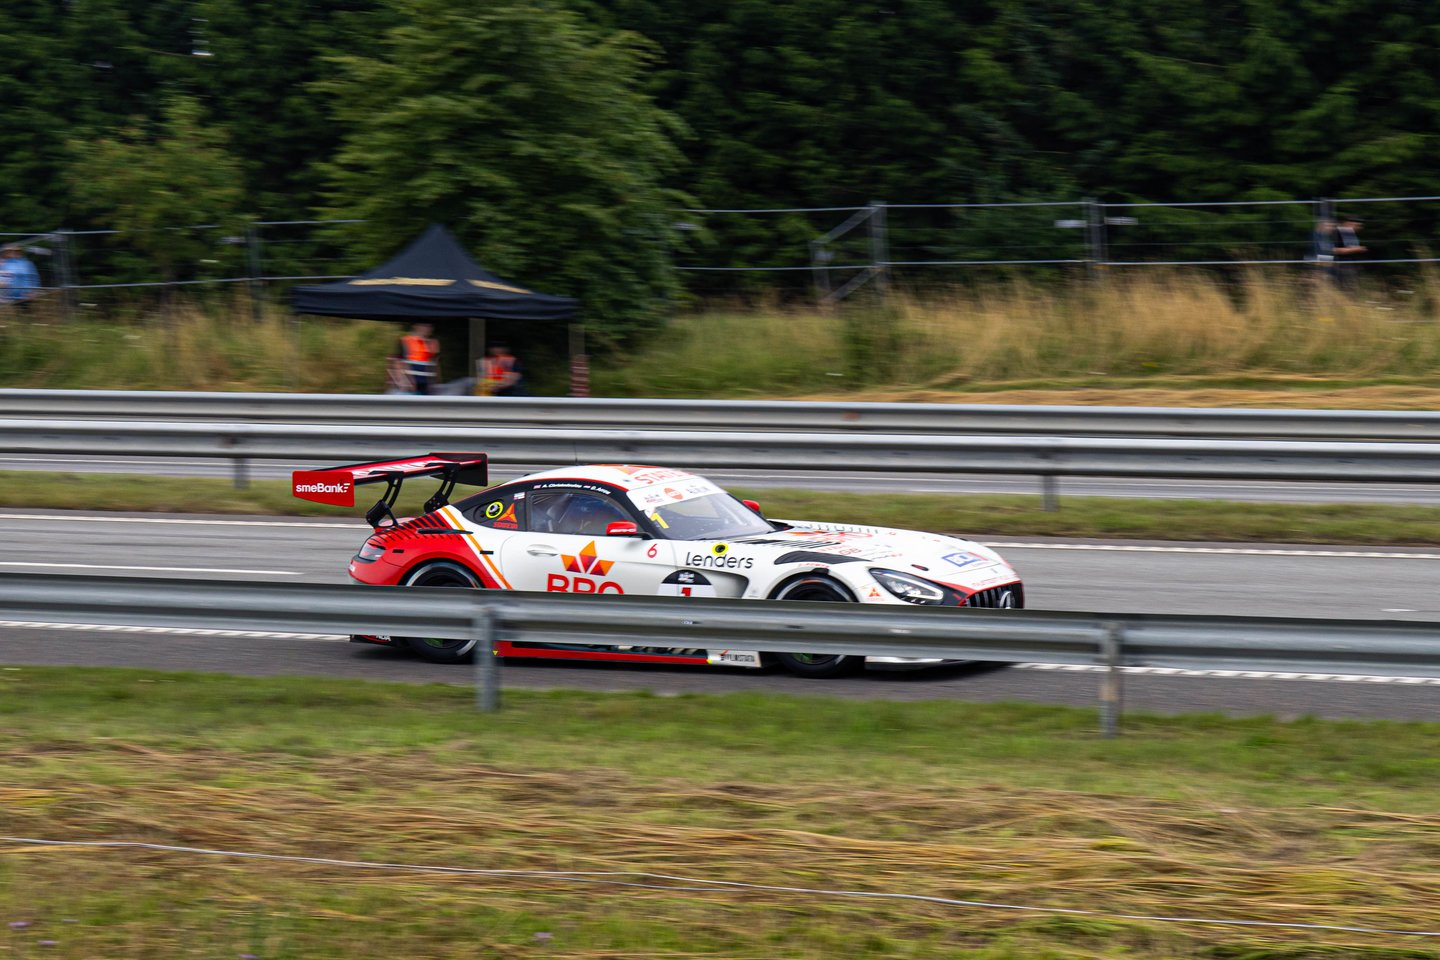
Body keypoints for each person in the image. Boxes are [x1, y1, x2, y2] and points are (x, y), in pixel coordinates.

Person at [387, 321, 440, 395]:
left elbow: (435, 364)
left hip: (427, 386)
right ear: (415, 326)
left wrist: (436, 382)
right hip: (409, 386)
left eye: (430, 326)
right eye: (424, 325)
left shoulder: (433, 343)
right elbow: (397, 362)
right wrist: (403, 381)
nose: (428, 328)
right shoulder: (405, 341)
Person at [1332, 215, 1367, 294]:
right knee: (1347, 289)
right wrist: (1355, 249)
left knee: (1353, 288)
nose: (1359, 228)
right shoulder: (1337, 233)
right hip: (1342, 266)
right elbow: (1334, 250)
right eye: (1357, 225)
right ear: (1348, 223)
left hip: (1352, 265)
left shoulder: (1351, 233)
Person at [0, 243, 40, 308]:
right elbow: (3, 278)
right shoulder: (7, 263)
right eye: (15, 251)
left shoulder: (28, 263)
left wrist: (34, 291)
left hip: (26, 296)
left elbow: (35, 278)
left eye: (18, 251)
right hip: (10, 297)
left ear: (22, 252)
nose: (16, 252)